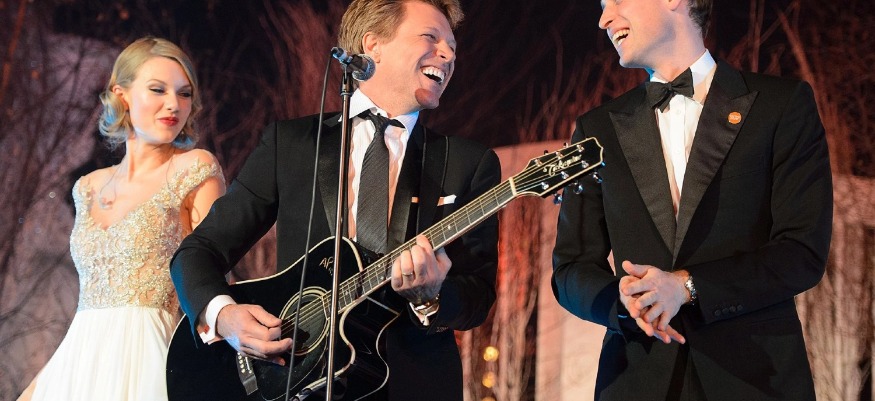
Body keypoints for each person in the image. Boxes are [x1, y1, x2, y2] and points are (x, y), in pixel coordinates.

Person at [169, 0, 499, 400]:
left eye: (452, 47)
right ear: (373, 45)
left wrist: (432, 297)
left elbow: (478, 296)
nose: (447, 55)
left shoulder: (468, 162)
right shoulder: (291, 144)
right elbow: (198, 252)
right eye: (431, 37)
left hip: (410, 384)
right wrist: (224, 316)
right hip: (294, 378)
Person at [551, 0, 832, 399]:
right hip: (636, 382)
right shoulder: (595, 130)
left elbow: (802, 252)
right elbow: (570, 269)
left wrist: (687, 286)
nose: (604, 19)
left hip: (755, 381)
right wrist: (622, 301)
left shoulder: (781, 106)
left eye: (616, 0)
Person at [17, 37, 225, 401]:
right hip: (78, 368)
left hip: (153, 361)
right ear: (121, 94)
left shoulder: (194, 168)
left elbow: (214, 278)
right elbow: (88, 309)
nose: (174, 104)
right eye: (158, 89)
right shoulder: (88, 187)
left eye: (184, 93)